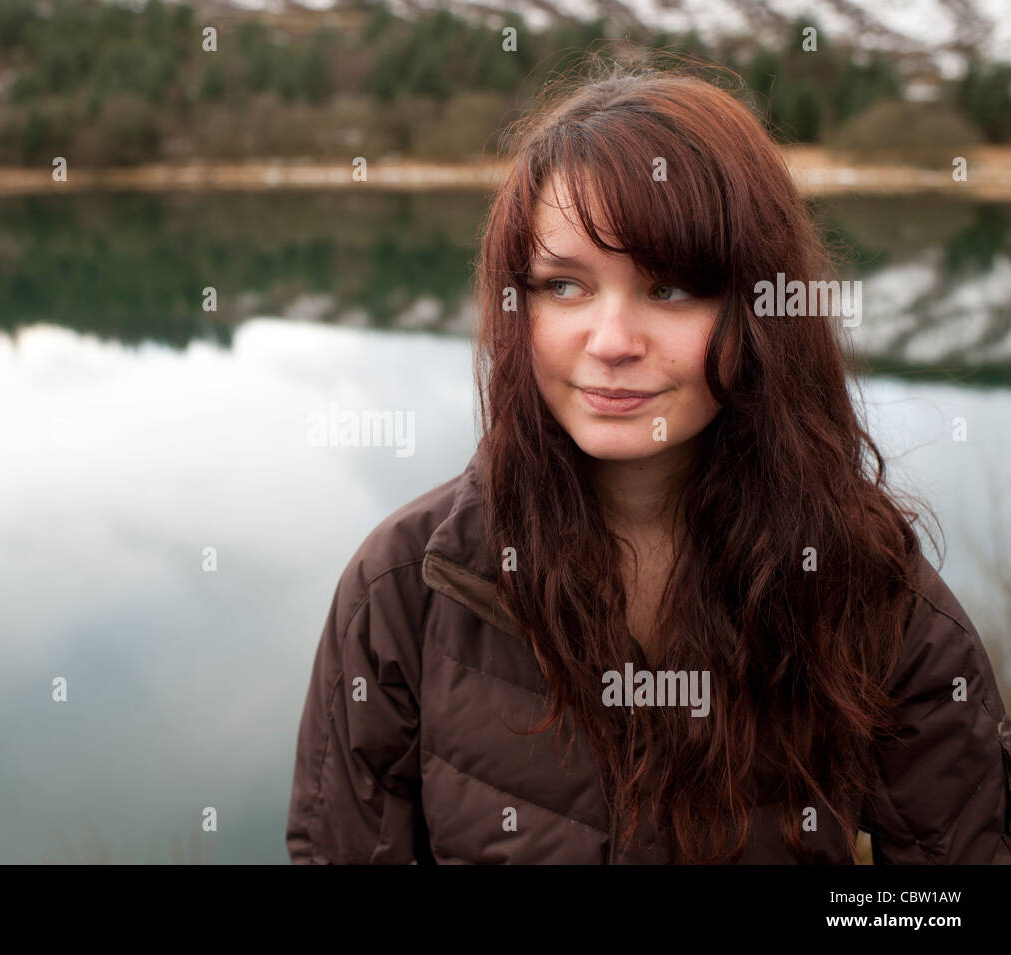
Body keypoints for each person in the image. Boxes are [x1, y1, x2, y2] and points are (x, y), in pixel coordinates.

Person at [285, 59, 1011, 864]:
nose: (612, 342)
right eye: (564, 286)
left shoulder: (869, 588)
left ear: (758, 310)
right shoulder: (403, 590)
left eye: (669, 289)